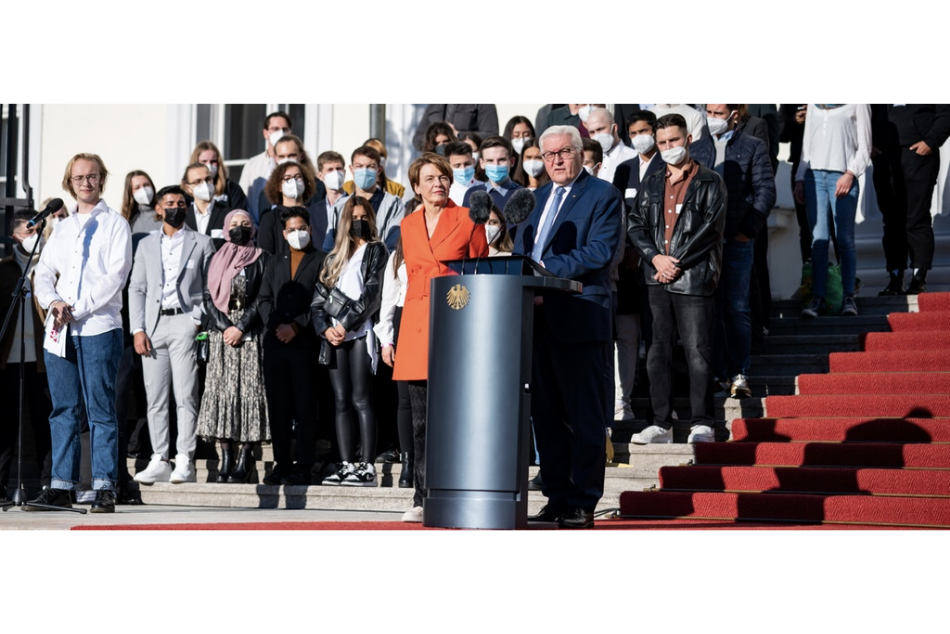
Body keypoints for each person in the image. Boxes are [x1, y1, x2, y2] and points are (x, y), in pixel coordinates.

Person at [516, 125, 623, 529]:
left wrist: (542, 276)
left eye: (563, 152)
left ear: (580, 153)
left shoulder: (602, 195)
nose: (556, 161)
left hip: (579, 316)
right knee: (545, 418)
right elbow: (523, 252)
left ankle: (583, 500)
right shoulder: (534, 198)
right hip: (536, 319)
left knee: (584, 417)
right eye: (548, 155)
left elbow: (598, 251)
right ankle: (557, 496)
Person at [27, 153, 132, 513]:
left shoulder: (116, 224)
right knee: (63, 410)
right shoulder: (63, 227)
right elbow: (43, 273)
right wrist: (53, 301)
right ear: (69, 183)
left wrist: (78, 308)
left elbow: (115, 277)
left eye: (92, 176)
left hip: (98, 327)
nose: (85, 183)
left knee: (101, 410)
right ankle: (60, 485)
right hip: (60, 329)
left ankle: (104, 485)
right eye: (78, 178)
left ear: (102, 179)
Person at [392, 153, 489, 522]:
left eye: (444, 177)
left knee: (458, 413)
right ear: (416, 187)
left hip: (456, 319)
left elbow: (482, 270)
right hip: (416, 322)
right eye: (430, 178)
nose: (439, 183)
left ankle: (459, 487)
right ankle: (421, 496)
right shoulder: (407, 224)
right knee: (420, 420)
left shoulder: (467, 218)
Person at [627, 114, 726, 447]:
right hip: (655, 278)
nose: (669, 147)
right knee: (656, 352)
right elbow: (635, 224)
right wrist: (655, 258)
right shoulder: (651, 182)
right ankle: (660, 424)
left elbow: (709, 230)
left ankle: (702, 422)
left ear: (688, 138)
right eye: (663, 142)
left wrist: (675, 262)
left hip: (694, 279)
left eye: (674, 140)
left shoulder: (711, 181)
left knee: (698, 350)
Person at [129, 185, 216, 485]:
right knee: (155, 397)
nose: (176, 207)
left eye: (181, 203)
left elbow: (209, 288)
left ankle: (185, 458)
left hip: (184, 323)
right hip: (153, 326)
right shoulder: (145, 244)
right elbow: (137, 288)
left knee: (185, 394)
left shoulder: (202, 243)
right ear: (159, 208)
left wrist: (196, 320)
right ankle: (159, 457)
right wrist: (138, 328)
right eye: (170, 203)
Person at [694, 104, 776, 398]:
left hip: (738, 239)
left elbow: (766, 190)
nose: (713, 117)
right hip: (703, 244)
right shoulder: (696, 148)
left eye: (719, 111)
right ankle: (716, 374)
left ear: (734, 113)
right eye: (709, 111)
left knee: (737, 307)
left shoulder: (752, 146)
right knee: (709, 309)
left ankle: (739, 372)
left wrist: (747, 231)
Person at [311, 197, 388, 486]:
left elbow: (371, 294)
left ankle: (366, 466)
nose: (359, 221)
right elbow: (317, 301)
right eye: (353, 217)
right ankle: (345, 463)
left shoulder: (376, 251)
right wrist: (324, 329)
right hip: (333, 336)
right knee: (340, 400)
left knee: (361, 398)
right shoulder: (333, 258)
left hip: (359, 332)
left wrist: (345, 323)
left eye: (363, 216)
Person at [197, 209, 270, 483]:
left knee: (250, 391)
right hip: (221, 332)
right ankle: (225, 458)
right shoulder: (216, 258)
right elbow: (207, 297)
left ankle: (245, 459)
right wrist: (226, 325)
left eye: (246, 224)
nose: (240, 228)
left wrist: (241, 326)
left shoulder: (262, 258)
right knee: (222, 392)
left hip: (250, 333)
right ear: (227, 228)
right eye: (235, 224)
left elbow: (263, 296)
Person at [257, 207, 327, 485]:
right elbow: (263, 299)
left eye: (302, 228)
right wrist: (277, 325)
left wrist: (296, 326)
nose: (297, 233)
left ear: (310, 229)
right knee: (279, 406)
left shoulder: (322, 260)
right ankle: (282, 462)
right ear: (284, 234)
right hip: (275, 344)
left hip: (304, 343)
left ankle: (305, 464)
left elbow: (323, 300)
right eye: (291, 229)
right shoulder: (274, 262)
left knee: (305, 404)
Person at [611, 110, 664, 422]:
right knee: (628, 337)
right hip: (629, 269)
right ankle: (624, 401)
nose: (640, 137)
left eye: (645, 131)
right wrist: (628, 250)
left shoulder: (666, 164)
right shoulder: (624, 169)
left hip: (658, 264)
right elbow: (618, 214)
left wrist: (647, 252)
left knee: (658, 337)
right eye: (635, 133)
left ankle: (661, 408)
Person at [794, 105, 872, 318]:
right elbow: (806, 146)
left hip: (843, 176)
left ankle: (848, 297)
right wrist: (800, 177)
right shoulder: (813, 102)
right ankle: (818, 298)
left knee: (844, 239)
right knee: (818, 240)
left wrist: (851, 173)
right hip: (814, 177)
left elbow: (865, 147)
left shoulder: (858, 101)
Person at [0, 211, 53, 501]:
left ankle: (47, 485)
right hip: (8, 359)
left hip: (41, 360)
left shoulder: (47, 269)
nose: (36, 235)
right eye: (30, 230)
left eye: (39, 230)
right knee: (6, 424)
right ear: (15, 236)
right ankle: (1, 485)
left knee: (44, 422)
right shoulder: (5, 269)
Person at [871, 104, 950, 295]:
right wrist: (867, 143)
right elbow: (864, 113)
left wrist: (931, 142)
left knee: (917, 218)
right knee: (891, 221)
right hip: (884, 155)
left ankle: (918, 278)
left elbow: (946, 113)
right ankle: (895, 279)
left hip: (919, 154)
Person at [373, 238, 412, 488]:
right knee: (405, 397)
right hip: (404, 316)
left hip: (439, 314)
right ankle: (409, 462)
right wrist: (387, 340)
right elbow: (389, 297)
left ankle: (432, 459)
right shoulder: (399, 254)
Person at [325, 146, 405, 252]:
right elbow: (328, 248)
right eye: (359, 166)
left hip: (380, 266)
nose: (365, 171)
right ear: (351, 169)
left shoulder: (393, 204)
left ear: (379, 170)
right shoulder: (339, 206)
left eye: (370, 166)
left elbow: (393, 246)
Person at [239, 110, 292, 221]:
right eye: (275, 129)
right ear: (265, 133)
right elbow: (243, 199)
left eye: (285, 129)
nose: (281, 133)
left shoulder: (296, 163)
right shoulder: (252, 165)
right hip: (257, 228)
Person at [258, 160, 318, 255]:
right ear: (279, 186)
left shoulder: (316, 213)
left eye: (298, 177)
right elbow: (266, 254)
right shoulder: (270, 218)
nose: (294, 181)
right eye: (287, 178)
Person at [462, 136, 524, 213]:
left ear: (512, 162)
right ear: (482, 163)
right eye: (490, 161)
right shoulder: (471, 195)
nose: (496, 165)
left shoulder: (523, 196)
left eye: (501, 160)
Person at [190, 140, 249, 212]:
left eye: (213, 162)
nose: (209, 166)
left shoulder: (231, 188)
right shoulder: (187, 190)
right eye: (204, 161)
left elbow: (240, 215)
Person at [183, 162, 231, 250]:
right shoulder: (183, 217)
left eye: (208, 179)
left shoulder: (228, 215)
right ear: (188, 188)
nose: (205, 184)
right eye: (198, 181)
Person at [411, 104, 499, 151]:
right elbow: (417, 140)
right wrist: (436, 141)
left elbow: (492, 135)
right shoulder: (433, 105)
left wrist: (458, 135)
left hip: (466, 164)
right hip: (439, 166)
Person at [586, 107, 637, 184]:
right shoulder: (588, 161)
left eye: (600, 129)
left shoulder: (633, 157)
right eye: (592, 132)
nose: (597, 135)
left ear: (614, 128)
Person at [446, 141, 480, 205]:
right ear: (448, 166)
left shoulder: (486, 189)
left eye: (467, 164)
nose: (463, 168)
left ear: (473, 162)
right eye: (457, 165)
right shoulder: (445, 193)